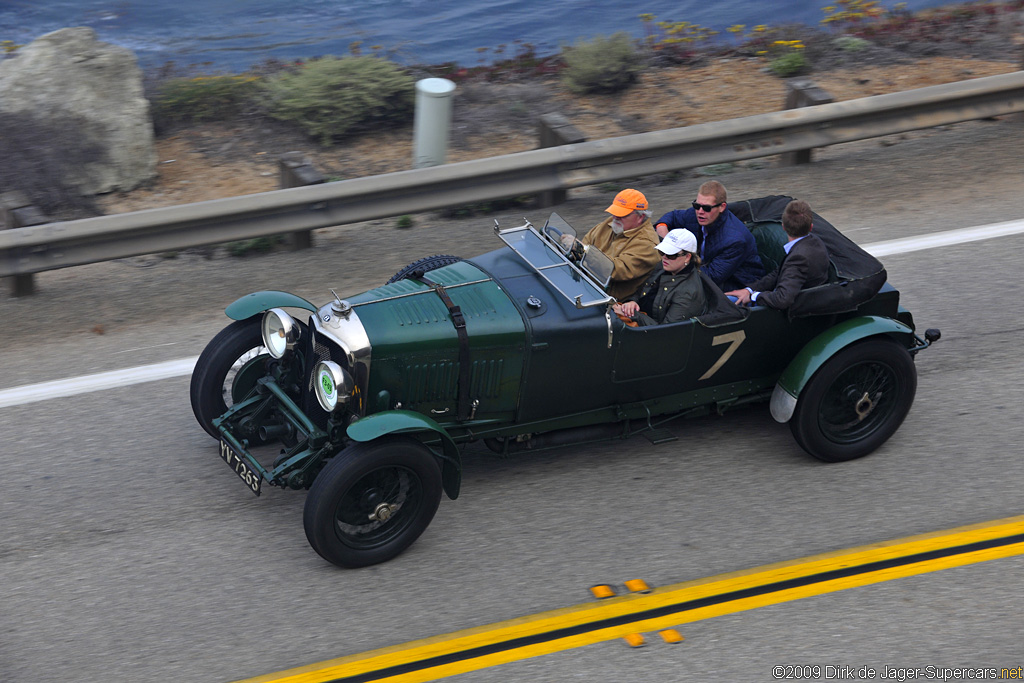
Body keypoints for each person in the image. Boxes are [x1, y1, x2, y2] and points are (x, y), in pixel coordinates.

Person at [653, 180, 764, 292]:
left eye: (706, 208)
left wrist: (679, 262)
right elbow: (672, 216)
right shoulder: (696, 213)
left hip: (736, 285)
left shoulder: (735, 240)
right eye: (696, 205)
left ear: (722, 207)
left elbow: (712, 277)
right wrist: (663, 230)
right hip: (704, 271)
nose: (700, 212)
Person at [725, 199, 830, 309]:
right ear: (811, 227)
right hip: (790, 296)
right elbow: (779, 273)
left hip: (792, 310)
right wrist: (749, 290)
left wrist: (754, 296)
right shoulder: (815, 242)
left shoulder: (799, 258)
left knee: (727, 303)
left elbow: (782, 299)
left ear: (783, 226)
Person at [612, 229, 707, 326]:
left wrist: (631, 314)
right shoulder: (664, 266)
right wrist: (632, 302)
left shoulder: (688, 294)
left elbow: (664, 331)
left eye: (671, 255)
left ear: (687, 257)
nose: (664, 257)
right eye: (662, 252)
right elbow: (641, 290)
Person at [580, 188, 661, 300]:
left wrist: (584, 250)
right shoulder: (610, 223)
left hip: (608, 300)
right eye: (615, 212)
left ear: (640, 217)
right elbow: (586, 241)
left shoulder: (647, 244)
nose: (616, 217)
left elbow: (616, 270)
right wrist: (572, 247)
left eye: (623, 214)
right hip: (584, 283)